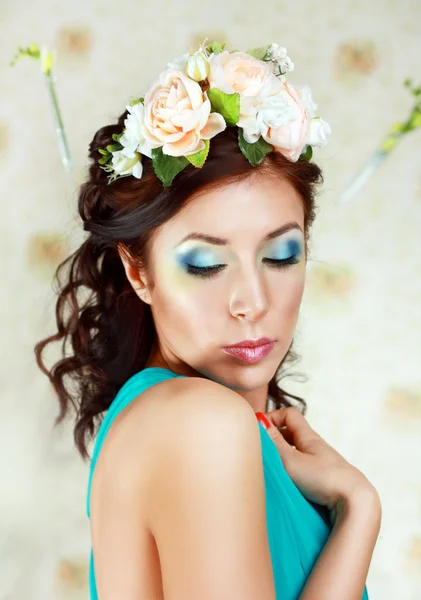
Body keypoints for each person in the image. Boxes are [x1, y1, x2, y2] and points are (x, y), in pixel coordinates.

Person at [35, 40, 381, 599]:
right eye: (205, 264)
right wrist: (359, 511)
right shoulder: (200, 423)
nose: (251, 299)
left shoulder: (187, 420)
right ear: (139, 272)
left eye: (281, 255)